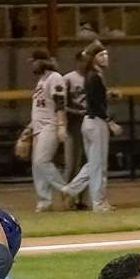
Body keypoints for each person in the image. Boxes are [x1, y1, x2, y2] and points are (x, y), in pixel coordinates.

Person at [58, 41, 120, 212]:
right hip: (96, 122)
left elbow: (96, 99)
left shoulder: (93, 75)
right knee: (99, 165)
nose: (105, 57)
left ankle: (71, 190)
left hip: (90, 122)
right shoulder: (94, 76)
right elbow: (96, 104)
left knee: (94, 163)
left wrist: (108, 95)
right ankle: (98, 202)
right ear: (93, 58)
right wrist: (110, 122)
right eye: (101, 55)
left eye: (106, 54)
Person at [28, 49, 68, 212]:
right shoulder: (41, 80)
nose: (32, 64)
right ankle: (44, 200)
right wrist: (28, 131)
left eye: (34, 61)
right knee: (37, 165)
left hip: (51, 125)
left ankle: (65, 189)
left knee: (41, 161)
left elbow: (60, 102)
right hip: (38, 127)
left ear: (42, 61)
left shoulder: (55, 77)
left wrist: (61, 126)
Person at [62, 51, 90, 209]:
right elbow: (61, 106)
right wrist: (77, 112)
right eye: (84, 60)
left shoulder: (93, 77)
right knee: (72, 164)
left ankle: (83, 200)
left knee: (87, 163)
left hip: (90, 123)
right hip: (73, 125)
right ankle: (69, 200)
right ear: (78, 61)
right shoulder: (68, 78)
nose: (87, 63)